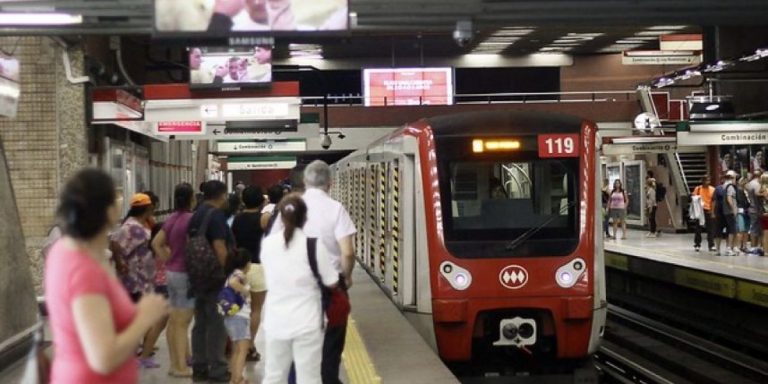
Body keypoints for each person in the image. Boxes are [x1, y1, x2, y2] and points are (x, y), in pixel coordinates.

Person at [45, 168, 168, 383]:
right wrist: (145, 317)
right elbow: (103, 357)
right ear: (110, 210)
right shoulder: (83, 268)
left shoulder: (64, 251)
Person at [271, 160, 356, 383]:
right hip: (330, 288)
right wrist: (345, 278)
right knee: (330, 350)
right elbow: (347, 252)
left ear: (305, 182)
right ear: (330, 183)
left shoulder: (288, 208)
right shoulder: (336, 209)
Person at [261, 194, 339, 384]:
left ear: (281, 217)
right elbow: (331, 281)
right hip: (307, 322)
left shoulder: (268, 244)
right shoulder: (313, 245)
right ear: (305, 218)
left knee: (274, 375)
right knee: (309, 376)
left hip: (276, 321)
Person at [188, 180, 235, 383]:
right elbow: (219, 247)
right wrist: (229, 274)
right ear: (222, 195)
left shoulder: (197, 213)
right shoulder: (215, 215)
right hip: (215, 276)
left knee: (201, 322)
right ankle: (218, 369)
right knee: (217, 323)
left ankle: (199, 366)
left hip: (198, 275)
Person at [151, 183, 197, 377]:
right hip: (185, 274)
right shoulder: (191, 219)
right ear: (191, 199)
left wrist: (167, 258)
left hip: (171, 272)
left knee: (174, 320)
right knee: (182, 322)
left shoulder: (171, 219)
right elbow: (193, 245)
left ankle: (174, 364)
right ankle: (180, 367)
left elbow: (156, 243)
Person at [110, 193, 160, 368]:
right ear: (147, 208)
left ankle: (139, 348)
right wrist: (120, 262)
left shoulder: (136, 224)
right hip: (133, 279)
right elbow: (114, 243)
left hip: (140, 278)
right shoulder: (132, 227)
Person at [231, 185, 268, 361]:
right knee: (256, 310)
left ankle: (237, 345)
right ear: (261, 200)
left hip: (240, 268)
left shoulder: (236, 219)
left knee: (239, 310)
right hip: (258, 267)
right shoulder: (263, 219)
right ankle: (250, 346)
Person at [222, 249, 253, 384]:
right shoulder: (239, 274)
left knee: (236, 349)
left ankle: (234, 377)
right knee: (242, 349)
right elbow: (234, 283)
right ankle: (238, 378)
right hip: (240, 316)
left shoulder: (230, 273)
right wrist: (246, 291)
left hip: (231, 317)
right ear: (246, 263)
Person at [715, 171, 739, 256]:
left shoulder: (723, 187)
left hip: (723, 212)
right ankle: (727, 248)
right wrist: (733, 209)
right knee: (730, 230)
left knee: (727, 230)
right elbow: (729, 199)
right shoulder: (728, 187)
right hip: (725, 212)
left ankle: (723, 248)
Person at [692, 176, 716, 252]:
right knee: (698, 229)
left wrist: (712, 212)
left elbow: (713, 201)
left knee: (710, 229)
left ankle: (711, 244)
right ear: (702, 181)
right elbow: (694, 199)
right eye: (706, 180)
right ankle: (697, 244)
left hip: (708, 210)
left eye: (708, 180)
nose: (707, 182)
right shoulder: (698, 189)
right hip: (700, 210)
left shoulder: (712, 189)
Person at [746, 170, 763, 249]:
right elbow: (757, 193)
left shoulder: (749, 183)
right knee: (756, 229)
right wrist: (765, 194)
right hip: (756, 209)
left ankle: (754, 246)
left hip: (751, 208)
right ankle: (754, 247)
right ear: (759, 176)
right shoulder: (757, 184)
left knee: (754, 228)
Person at [736, 177, 751, 251]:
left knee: (746, 230)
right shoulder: (739, 191)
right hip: (741, 212)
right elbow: (740, 201)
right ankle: (739, 246)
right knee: (741, 230)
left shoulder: (747, 191)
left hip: (748, 212)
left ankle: (744, 246)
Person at [759, 173, 768, 253]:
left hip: (762, 213)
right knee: (766, 234)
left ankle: (765, 251)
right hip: (766, 213)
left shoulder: (760, 189)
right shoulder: (766, 190)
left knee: (765, 234)